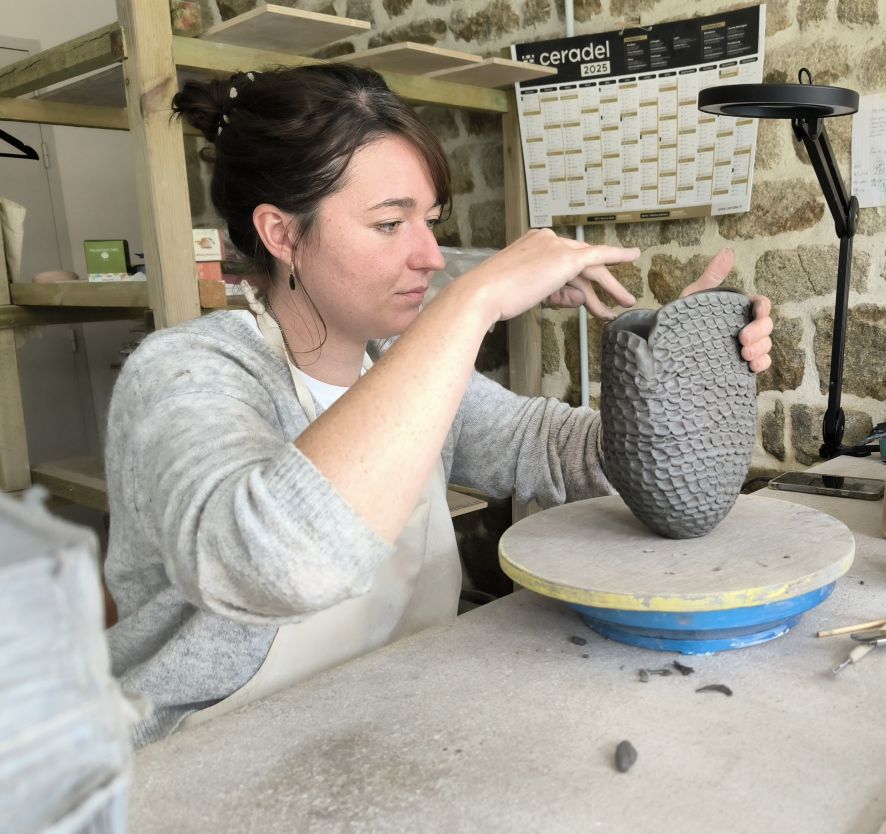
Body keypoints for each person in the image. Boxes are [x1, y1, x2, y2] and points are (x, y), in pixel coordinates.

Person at [103, 63, 774, 746]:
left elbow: (561, 451)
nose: (429, 255)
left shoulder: (395, 363)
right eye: (390, 224)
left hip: (395, 724)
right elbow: (273, 565)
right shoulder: (182, 374)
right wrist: (470, 301)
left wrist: (676, 375)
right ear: (281, 234)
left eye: (429, 220)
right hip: (207, 769)